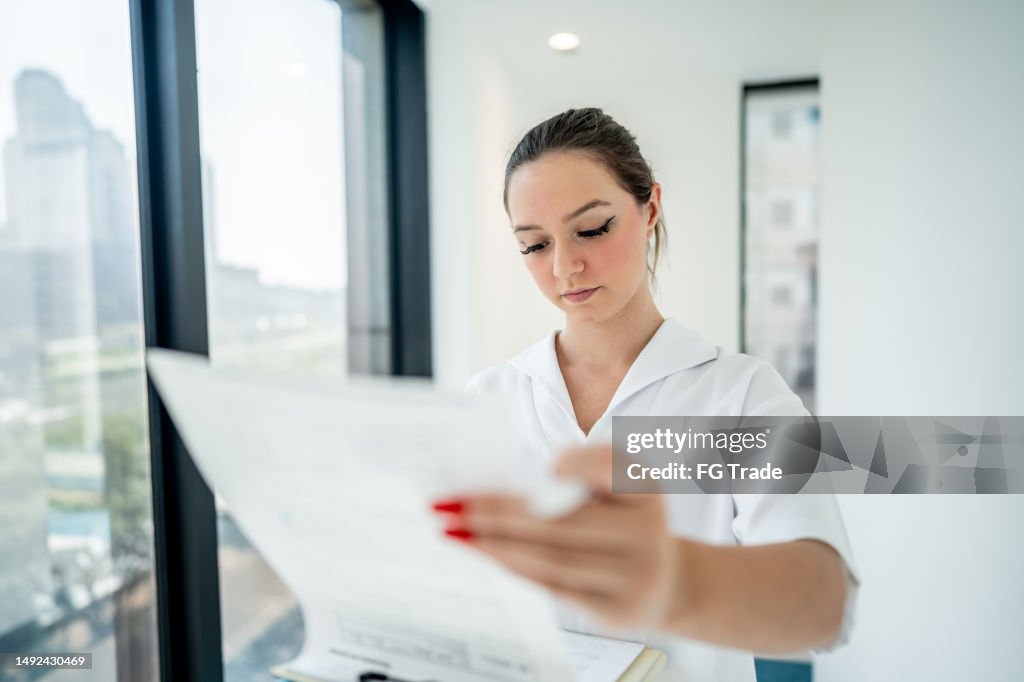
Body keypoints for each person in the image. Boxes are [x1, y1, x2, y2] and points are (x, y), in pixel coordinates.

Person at [430, 107, 859, 682]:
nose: (565, 266)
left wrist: (673, 581)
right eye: (533, 245)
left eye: (592, 228)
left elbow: (824, 605)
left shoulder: (740, 393)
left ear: (649, 207)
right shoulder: (491, 395)